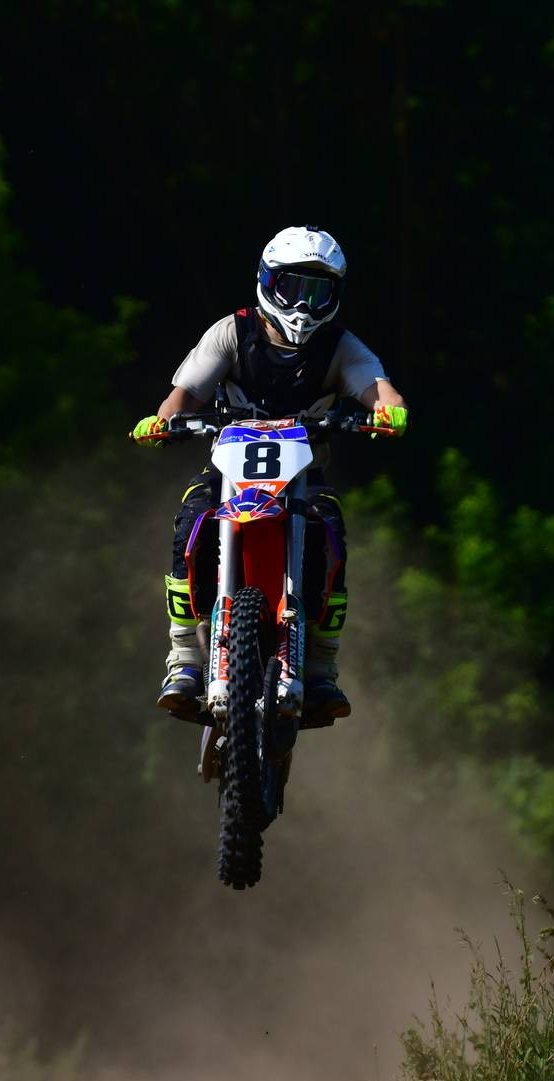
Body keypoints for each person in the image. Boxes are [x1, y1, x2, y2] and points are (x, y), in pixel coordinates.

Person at [130, 225, 408, 721]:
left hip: (305, 478)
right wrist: (162, 420)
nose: (303, 305)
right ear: (266, 281)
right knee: (190, 522)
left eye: (317, 292)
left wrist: (390, 410)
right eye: (293, 288)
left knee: (332, 535)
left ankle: (321, 667)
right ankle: (185, 657)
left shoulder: (340, 347)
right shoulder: (231, 333)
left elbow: (378, 387)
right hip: (228, 474)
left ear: (335, 297)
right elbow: (185, 394)